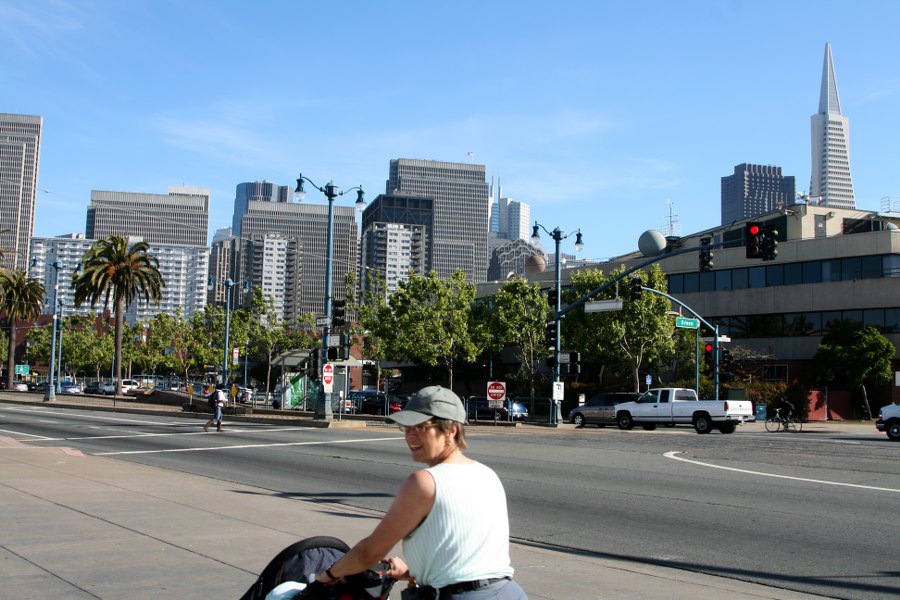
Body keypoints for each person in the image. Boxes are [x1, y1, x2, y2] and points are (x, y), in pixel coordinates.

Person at [314, 385, 527, 599]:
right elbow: (466, 558)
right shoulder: (487, 474)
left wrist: (329, 574)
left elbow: (369, 553)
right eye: (406, 428)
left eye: (421, 427)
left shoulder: (425, 482)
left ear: (451, 430)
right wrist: (411, 573)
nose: (410, 436)